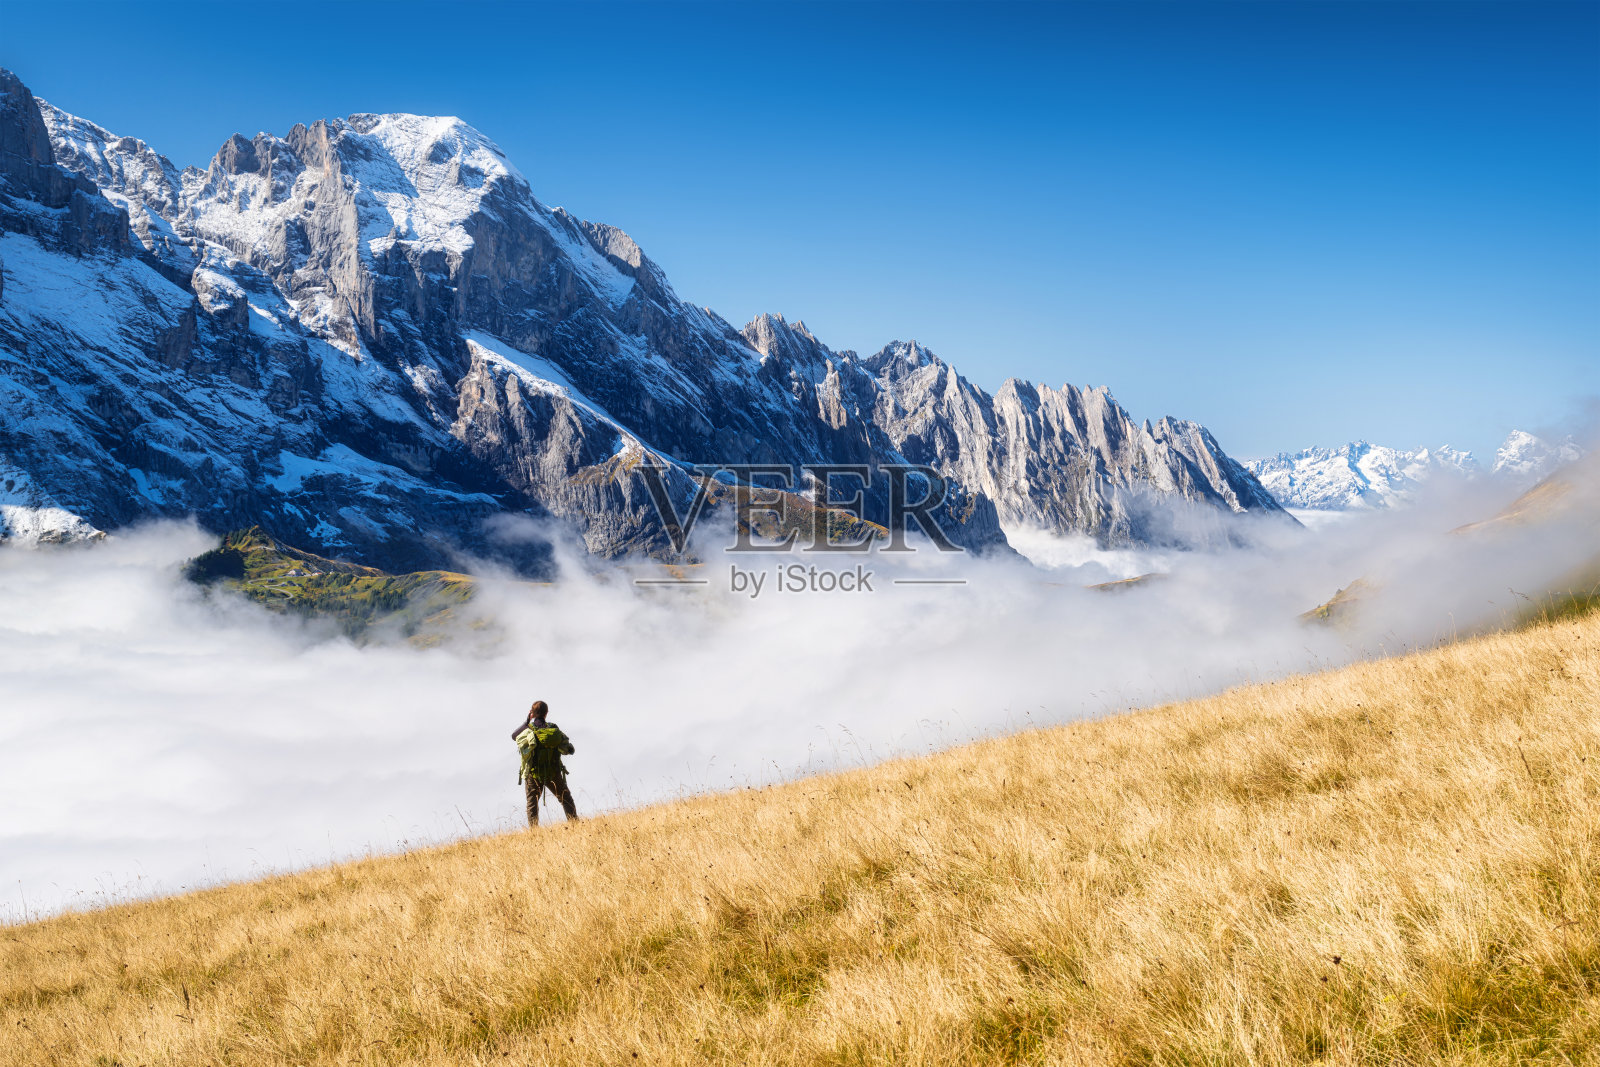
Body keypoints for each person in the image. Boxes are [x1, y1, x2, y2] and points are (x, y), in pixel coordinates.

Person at [512, 700, 577, 826]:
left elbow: (514, 736)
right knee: (565, 798)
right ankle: (575, 823)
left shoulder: (529, 729)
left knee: (532, 804)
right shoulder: (553, 728)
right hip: (553, 772)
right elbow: (569, 748)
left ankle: (534, 833)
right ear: (546, 713)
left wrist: (527, 721)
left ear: (532, 713)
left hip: (533, 773)